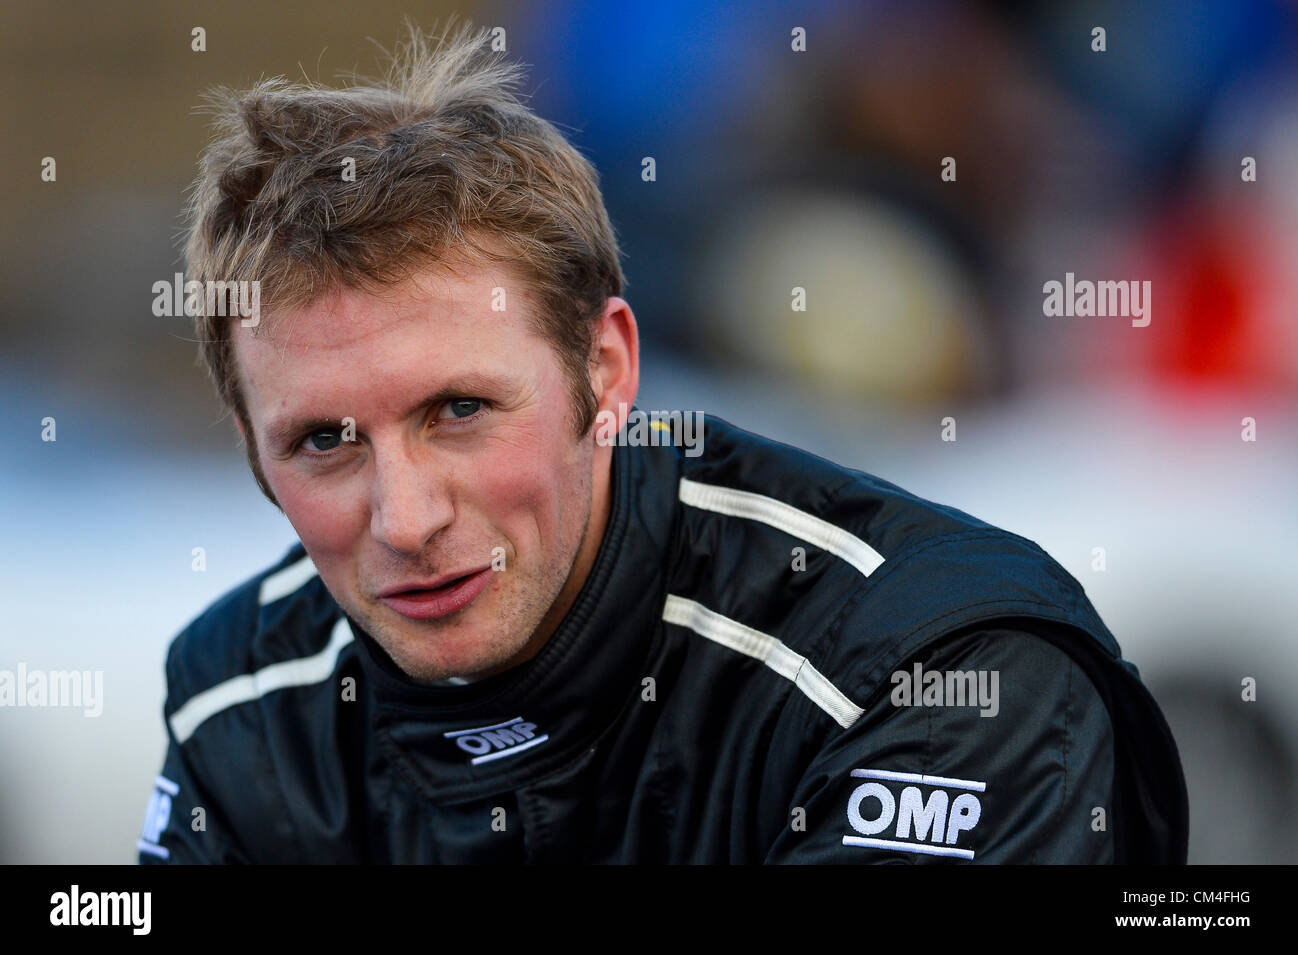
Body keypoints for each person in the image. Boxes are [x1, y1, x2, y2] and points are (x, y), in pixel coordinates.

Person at [136, 19, 1186, 864]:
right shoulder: (244, 701)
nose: (405, 519)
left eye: (458, 411)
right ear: (249, 449)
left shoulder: (939, 671)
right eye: (323, 440)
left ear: (607, 373)